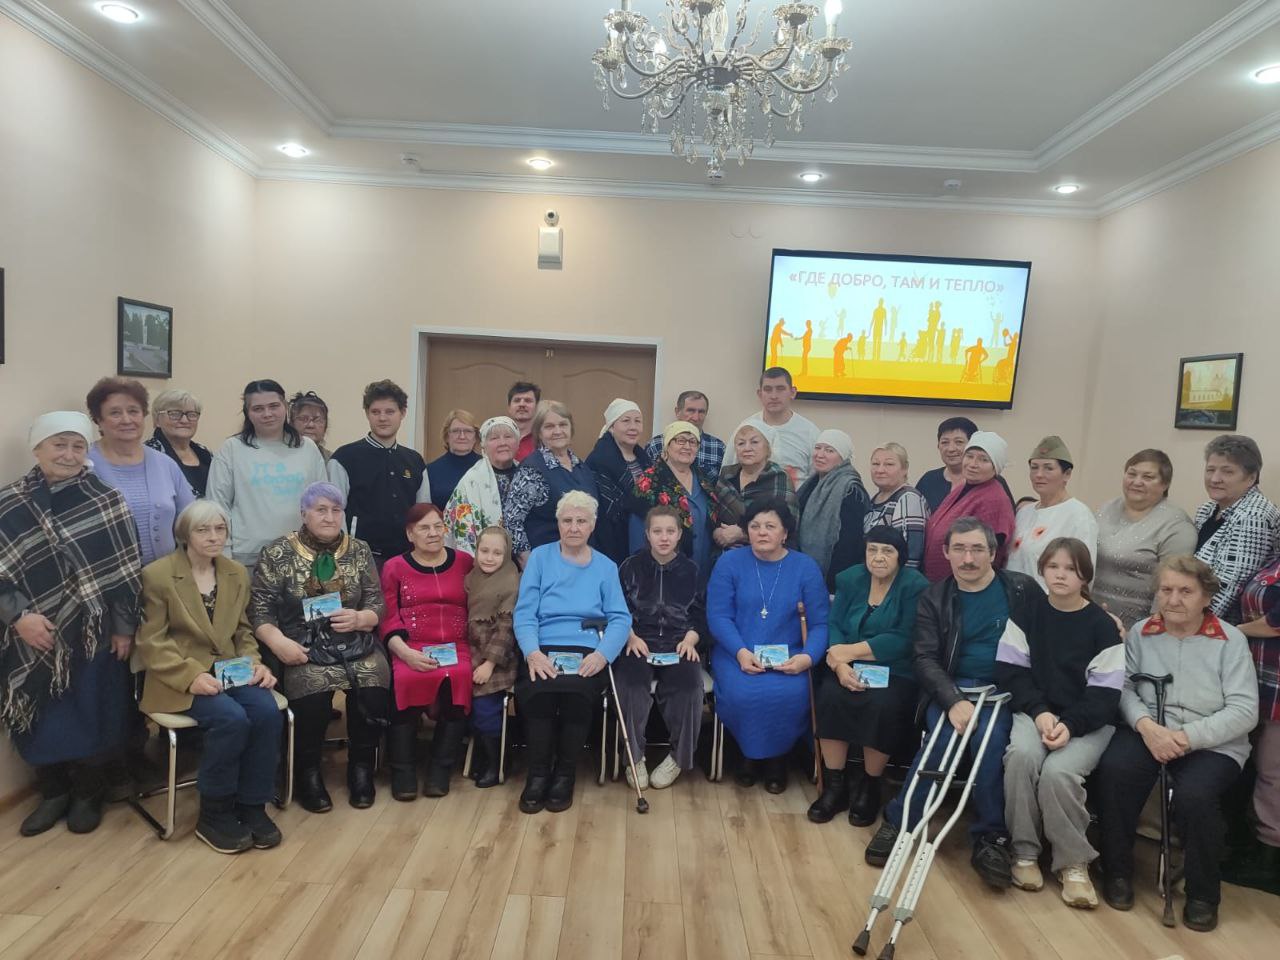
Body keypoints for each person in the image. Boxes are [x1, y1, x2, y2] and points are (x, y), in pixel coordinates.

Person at [864, 517, 1039, 889]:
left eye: (977, 549)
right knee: (940, 742)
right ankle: (901, 820)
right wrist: (953, 700)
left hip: (1003, 691)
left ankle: (990, 837)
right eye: (959, 549)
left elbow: (1058, 619)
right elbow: (924, 657)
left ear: (993, 553)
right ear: (946, 552)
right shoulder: (935, 597)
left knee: (991, 745)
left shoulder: (1020, 588)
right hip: (950, 688)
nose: (968, 558)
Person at [1097, 556, 1259, 932]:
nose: (1173, 599)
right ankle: (1116, 871)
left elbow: (1244, 710)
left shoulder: (1230, 640)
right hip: (1151, 731)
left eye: (1185, 591)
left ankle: (1203, 894)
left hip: (1212, 742)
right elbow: (1124, 687)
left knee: (1195, 796)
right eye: (1166, 590)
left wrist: (1187, 738)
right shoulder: (1142, 632)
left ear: (1206, 597)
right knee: (1115, 770)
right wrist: (1146, 726)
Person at [2, 413, 142, 837]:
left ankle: (87, 791)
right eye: (58, 445)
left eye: (77, 446)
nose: (68, 454)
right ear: (38, 449)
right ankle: (53, 791)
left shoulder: (106, 500)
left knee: (93, 707)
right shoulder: (9, 503)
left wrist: (123, 628)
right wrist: (19, 618)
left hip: (93, 630)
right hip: (33, 633)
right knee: (42, 713)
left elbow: (125, 573)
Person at [136, 500, 283, 854]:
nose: (214, 537)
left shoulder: (235, 573)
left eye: (220, 529)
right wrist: (191, 677)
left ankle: (252, 804)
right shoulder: (158, 575)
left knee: (266, 712)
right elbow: (152, 642)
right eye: (203, 530)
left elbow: (243, 631)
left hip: (229, 670)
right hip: (177, 675)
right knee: (230, 719)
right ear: (185, 534)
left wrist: (255, 663)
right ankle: (214, 813)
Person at [996, 538, 1123, 908]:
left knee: (1058, 773)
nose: (1061, 575)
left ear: (1085, 576)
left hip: (1088, 721)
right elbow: (1010, 671)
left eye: (1070, 568)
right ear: (1042, 570)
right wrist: (1040, 712)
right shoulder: (1026, 613)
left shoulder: (1102, 626)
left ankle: (1073, 863)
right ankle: (1024, 852)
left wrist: (1069, 724)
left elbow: (1105, 694)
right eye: (1053, 567)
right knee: (1021, 757)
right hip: (1035, 712)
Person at [249, 482, 390, 813]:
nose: (329, 517)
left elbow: (376, 602)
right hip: (300, 642)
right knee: (311, 690)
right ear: (304, 514)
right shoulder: (277, 553)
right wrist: (278, 642)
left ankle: (361, 768)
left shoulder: (359, 549)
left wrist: (361, 618)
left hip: (352, 638)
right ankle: (307, 772)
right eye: (321, 510)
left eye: (336, 510)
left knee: (374, 679)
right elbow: (259, 611)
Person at [513, 491, 630, 814]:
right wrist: (532, 652)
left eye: (581, 521)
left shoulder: (606, 566)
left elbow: (620, 618)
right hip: (543, 645)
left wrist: (602, 655)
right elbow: (524, 613)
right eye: (567, 520)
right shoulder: (540, 558)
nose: (574, 527)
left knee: (578, 694)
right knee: (539, 692)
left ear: (593, 525)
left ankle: (565, 774)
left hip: (587, 647)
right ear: (558, 523)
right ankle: (538, 774)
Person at [706, 499, 829, 794]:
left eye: (770, 526)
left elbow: (820, 624)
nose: (762, 532)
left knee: (791, 692)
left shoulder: (805, 567)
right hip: (737, 651)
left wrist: (807, 658)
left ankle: (778, 759)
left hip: (791, 653)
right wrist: (741, 652)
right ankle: (748, 755)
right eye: (755, 526)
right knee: (743, 692)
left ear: (785, 533)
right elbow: (719, 616)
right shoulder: (729, 563)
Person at [807, 527, 928, 827]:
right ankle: (835, 785)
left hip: (895, 669)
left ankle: (870, 785)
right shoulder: (850, 579)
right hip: (846, 665)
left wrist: (848, 651)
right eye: (872, 549)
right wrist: (839, 665)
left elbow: (905, 637)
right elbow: (835, 624)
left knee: (882, 704)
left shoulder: (915, 585)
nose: (878, 557)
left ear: (901, 556)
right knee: (830, 695)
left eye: (887, 551)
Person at [380, 504, 475, 800]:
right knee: (406, 679)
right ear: (410, 534)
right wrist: (404, 652)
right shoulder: (394, 567)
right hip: (411, 645)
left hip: (458, 646)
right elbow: (388, 616)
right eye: (424, 528)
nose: (433, 533)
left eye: (437, 526)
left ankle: (440, 768)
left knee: (460, 677)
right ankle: (403, 769)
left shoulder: (465, 562)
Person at [616, 506, 705, 790]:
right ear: (647, 534)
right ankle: (634, 757)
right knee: (630, 687)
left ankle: (678, 758)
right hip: (638, 642)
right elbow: (617, 609)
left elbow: (702, 614)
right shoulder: (630, 567)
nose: (664, 538)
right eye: (657, 531)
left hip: (680, 644)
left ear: (679, 534)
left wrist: (691, 639)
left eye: (670, 531)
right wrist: (629, 636)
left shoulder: (693, 570)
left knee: (690, 688)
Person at [208, 380, 328, 571]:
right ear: (248, 413)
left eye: (274, 406)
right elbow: (217, 506)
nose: (267, 414)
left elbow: (323, 503)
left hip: (303, 556)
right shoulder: (231, 449)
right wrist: (224, 557)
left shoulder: (307, 448)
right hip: (247, 560)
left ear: (285, 407)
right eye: (258, 408)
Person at [84, 377, 195, 568]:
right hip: (108, 578)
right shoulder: (85, 465)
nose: (126, 420)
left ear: (143, 415)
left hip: (165, 577)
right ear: (98, 420)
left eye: (133, 411)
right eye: (115, 413)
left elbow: (191, 521)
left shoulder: (165, 464)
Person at [328, 379, 431, 570]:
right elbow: (334, 511)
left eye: (390, 412)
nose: (382, 418)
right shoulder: (344, 458)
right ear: (367, 414)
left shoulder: (415, 461)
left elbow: (423, 513)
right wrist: (342, 556)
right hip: (360, 559)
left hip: (407, 559)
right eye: (375, 412)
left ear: (403, 413)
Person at [1223, 556, 1280, 893]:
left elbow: (1275, 622)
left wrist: (1231, 631)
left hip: (1278, 685)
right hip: (1261, 678)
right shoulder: (1274, 561)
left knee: (1274, 773)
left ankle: (1269, 861)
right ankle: (1254, 848)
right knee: (1262, 768)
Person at [1093, 449, 1197, 627]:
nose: (1137, 482)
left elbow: (1172, 585)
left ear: (1165, 484)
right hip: (1095, 614)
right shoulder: (1107, 508)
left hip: (1138, 626)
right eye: (1131, 474)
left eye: (1148, 477)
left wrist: (1152, 629)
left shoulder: (1176, 524)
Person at [1193, 434, 1280, 621]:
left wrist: (1191, 625)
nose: (1215, 479)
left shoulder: (1254, 515)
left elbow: (1228, 587)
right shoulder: (1207, 509)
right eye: (1210, 470)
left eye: (1227, 472)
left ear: (1251, 478)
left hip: (1228, 626)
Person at [504, 401, 599, 564]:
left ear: (571, 429)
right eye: (549, 426)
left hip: (583, 562)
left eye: (563, 425)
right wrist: (529, 563)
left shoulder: (582, 467)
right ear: (539, 433)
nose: (557, 431)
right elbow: (512, 521)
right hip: (546, 563)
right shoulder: (532, 470)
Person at [464, 527, 521, 788]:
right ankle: (481, 752)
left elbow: (505, 632)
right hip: (470, 650)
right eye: (484, 551)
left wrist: (489, 664)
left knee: (485, 706)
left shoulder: (511, 582)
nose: (489, 558)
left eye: (497, 553)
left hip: (498, 659)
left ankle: (497, 761)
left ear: (507, 555)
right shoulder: (471, 578)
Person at [632, 421, 718, 587]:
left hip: (702, 573)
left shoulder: (704, 481)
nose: (687, 446)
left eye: (692, 442)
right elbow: (637, 534)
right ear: (667, 445)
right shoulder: (649, 482)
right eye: (680, 440)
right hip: (662, 575)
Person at [1007, 436, 1098, 590]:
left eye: (1048, 468)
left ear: (1067, 474)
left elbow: (1084, 574)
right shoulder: (1024, 513)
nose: (1039, 474)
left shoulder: (1078, 515)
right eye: (1034, 467)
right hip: (1014, 598)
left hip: (1051, 601)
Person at [921, 432, 1015, 581]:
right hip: (941, 583)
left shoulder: (994, 499)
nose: (972, 464)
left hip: (967, 583)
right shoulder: (964, 486)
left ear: (995, 467)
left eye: (983, 460)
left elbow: (988, 554)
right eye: (969, 456)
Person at [796, 429, 870, 590]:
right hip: (802, 571)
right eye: (818, 448)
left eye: (829, 450)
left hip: (833, 579)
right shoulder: (811, 484)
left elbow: (849, 545)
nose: (820, 455)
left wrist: (834, 585)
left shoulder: (850, 489)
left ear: (842, 457)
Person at [720, 368, 819, 487]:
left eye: (780, 389)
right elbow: (727, 475)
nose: (774, 396)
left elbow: (817, 481)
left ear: (792, 392)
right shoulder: (745, 428)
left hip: (796, 498)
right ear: (760, 394)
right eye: (768, 390)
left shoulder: (809, 432)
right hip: (751, 497)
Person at [713, 421, 798, 554]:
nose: (747, 448)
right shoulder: (726, 475)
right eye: (741, 443)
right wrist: (716, 532)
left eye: (754, 442)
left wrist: (742, 533)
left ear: (768, 448)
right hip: (725, 554)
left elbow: (787, 524)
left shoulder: (779, 478)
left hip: (768, 555)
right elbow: (711, 514)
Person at [585, 399, 651, 564]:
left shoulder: (645, 459)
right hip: (610, 541)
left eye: (638, 421)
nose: (633, 427)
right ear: (612, 427)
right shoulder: (599, 461)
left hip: (642, 539)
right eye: (626, 421)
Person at [444, 416, 521, 557]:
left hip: (525, 560)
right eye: (494, 438)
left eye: (508, 437)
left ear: (517, 442)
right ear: (483, 445)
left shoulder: (528, 476)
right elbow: (463, 533)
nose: (502, 443)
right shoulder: (471, 481)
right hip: (483, 561)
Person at [917, 418, 1015, 512]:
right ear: (938, 446)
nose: (951, 449)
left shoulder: (993, 482)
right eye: (945, 442)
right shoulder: (928, 480)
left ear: (972, 445)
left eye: (959, 442)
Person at [861, 443, 930, 570]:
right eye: (875, 464)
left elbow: (911, 556)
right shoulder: (876, 498)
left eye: (889, 464)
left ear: (904, 468)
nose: (880, 470)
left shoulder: (908, 498)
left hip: (896, 579)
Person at [146, 388, 213, 498]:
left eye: (191, 414)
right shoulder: (149, 454)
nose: (184, 420)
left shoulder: (205, 453)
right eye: (175, 414)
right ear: (157, 420)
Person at [644, 390, 725, 479]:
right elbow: (645, 480)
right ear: (677, 412)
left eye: (701, 412)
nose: (696, 417)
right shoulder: (656, 444)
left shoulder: (718, 447)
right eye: (691, 411)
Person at [426, 410, 482, 511]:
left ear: (476, 437)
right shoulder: (430, 471)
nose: (462, 436)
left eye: (468, 431)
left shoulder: (487, 467)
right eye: (456, 431)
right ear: (447, 436)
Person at [289, 391, 332, 461]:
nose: (310, 425)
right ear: (291, 424)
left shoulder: (332, 461)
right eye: (303, 419)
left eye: (317, 419)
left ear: (325, 427)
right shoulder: (281, 456)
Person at [507, 381, 541, 463]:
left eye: (528, 400)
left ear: (537, 407)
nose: (522, 404)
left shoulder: (543, 439)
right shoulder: (499, 438)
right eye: (517, 400)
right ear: (509, 407)